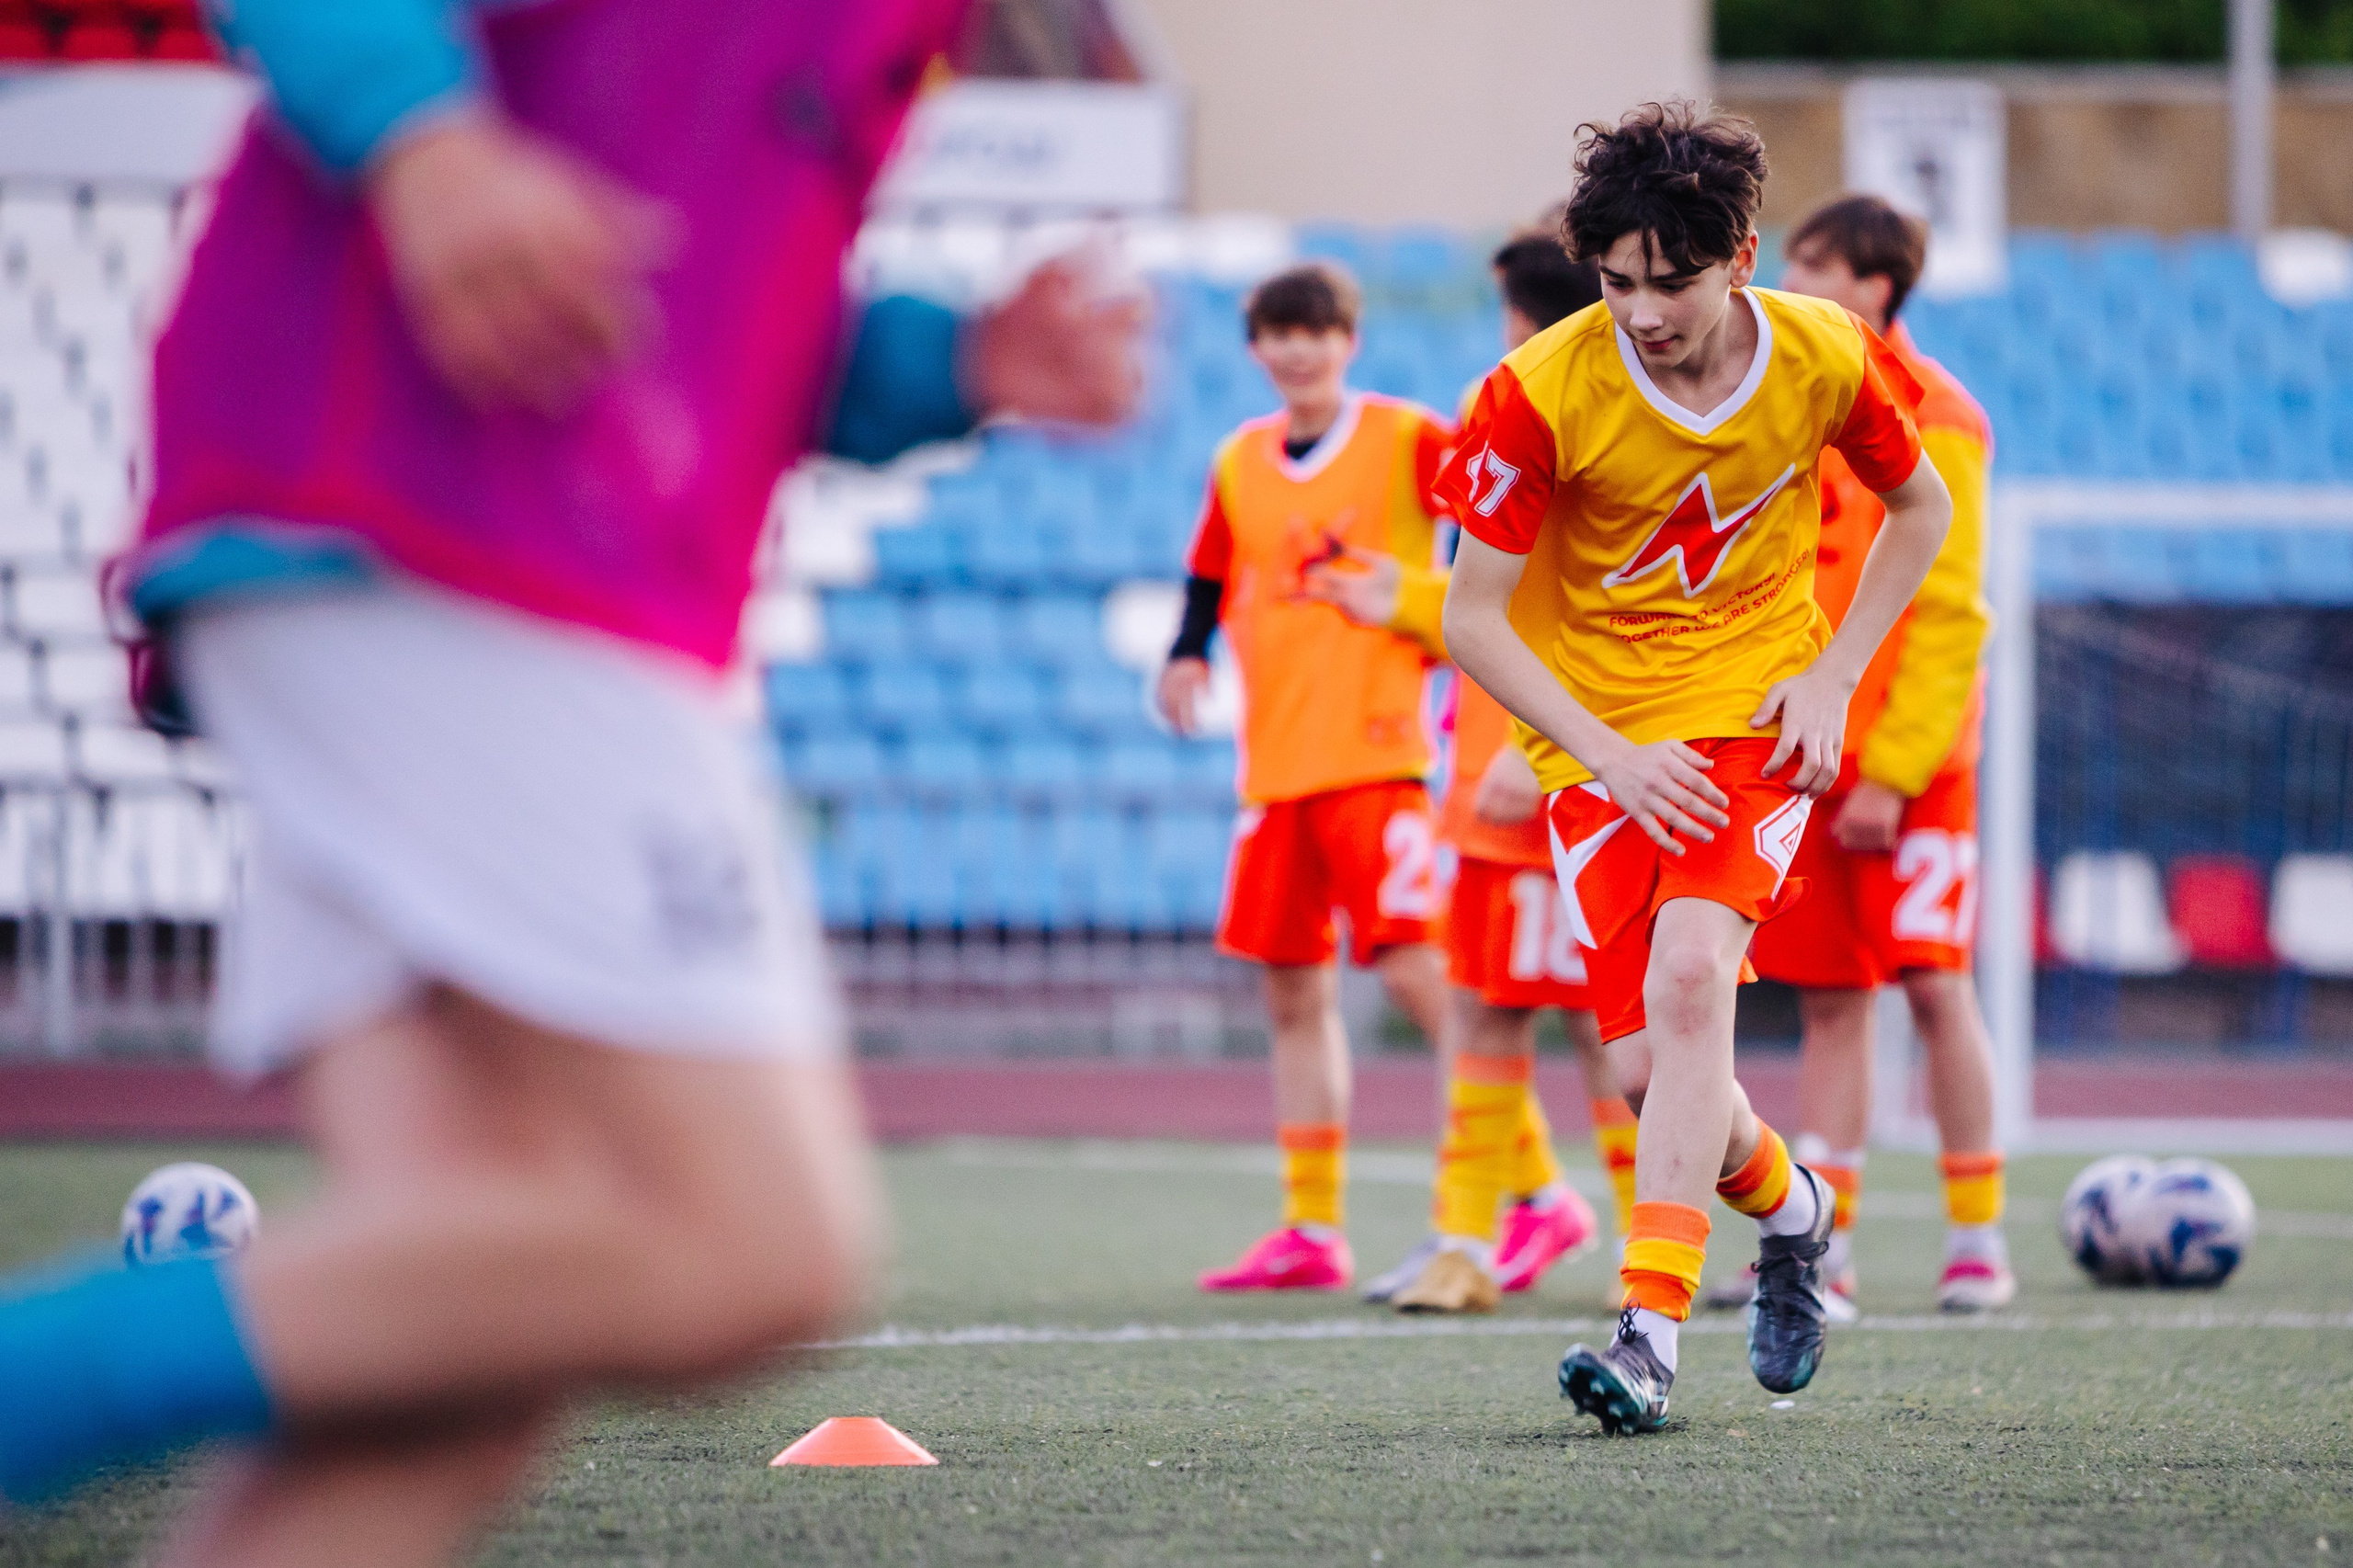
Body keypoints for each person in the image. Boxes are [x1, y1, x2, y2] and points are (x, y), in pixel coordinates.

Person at [0, 4, 1142, 1562]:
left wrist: (943, 362)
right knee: (752, 1244)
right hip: (460, 526)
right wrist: (430, 142)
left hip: (421, 535)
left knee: (456, 1375)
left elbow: (689, 294)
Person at [1439, 101, 1952, 1435]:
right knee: (1647, 1077)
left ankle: (1649, 1332)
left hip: (1754, 720)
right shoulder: (1537, 391)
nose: (1643, 312)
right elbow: (1470, 615)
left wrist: (1833, 676)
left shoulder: (1828, 353)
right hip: (1602, 750)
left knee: (1687, 978)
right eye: (1616, 284)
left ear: (1743, 255)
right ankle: (1794, 1212)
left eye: (1671, 281)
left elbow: (1924, 508)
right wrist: (1608, 758)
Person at [1304, 235, 1637, 1316]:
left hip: (1553, 772)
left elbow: (1582, 611)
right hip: (1525, 775)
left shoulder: (1562, 411)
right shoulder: (1520, 404)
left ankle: (1645, 1248)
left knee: (1605, 1023)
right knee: (1487, 1005)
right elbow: (1472, 592)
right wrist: (1396, 595)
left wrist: (1522, 759)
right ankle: (1464, 1238)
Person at [1730, 194, 2008, 1315]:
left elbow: (1947, 611)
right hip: (1812, 754)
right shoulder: (1801, 388)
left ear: (1877, 286)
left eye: (1814, 265)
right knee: (1834, 1000)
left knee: (1937, 986)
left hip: (1912, 764)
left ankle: (1977, 1237)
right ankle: (1822, 1252)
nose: (1792, 285)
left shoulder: (1938, 410)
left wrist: (1894, 768)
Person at [1158, 262, 1458, 1294]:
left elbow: (1505, 527)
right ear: (1256, 348)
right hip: (1276, 766)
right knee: (1292, 991)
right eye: (1279, 333)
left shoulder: (1410, 437)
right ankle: (1313, 1226)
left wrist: (1433, 607)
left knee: (1421, 975)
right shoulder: (1239, 458)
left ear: (1349, 338)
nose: (1297, 349)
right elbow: (1208, 567)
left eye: (1314, 331)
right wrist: (1185, 650)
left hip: (1379, 754)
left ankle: (1517, 1184)